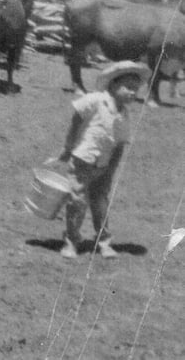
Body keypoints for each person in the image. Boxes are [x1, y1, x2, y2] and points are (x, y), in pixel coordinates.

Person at [54, 60, 150, 260]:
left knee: (100, 202)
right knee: (77, 201)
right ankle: (72, 240)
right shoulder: (96, 100)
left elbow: (120, 144)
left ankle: (103, 240)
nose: (133, 93)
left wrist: (111, 169)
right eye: (129, 88)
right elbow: (77, 118)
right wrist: (68, 146)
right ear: (114, 85)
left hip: (104, 165)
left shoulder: (124, 114)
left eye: (136, 90)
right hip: (82, 160)